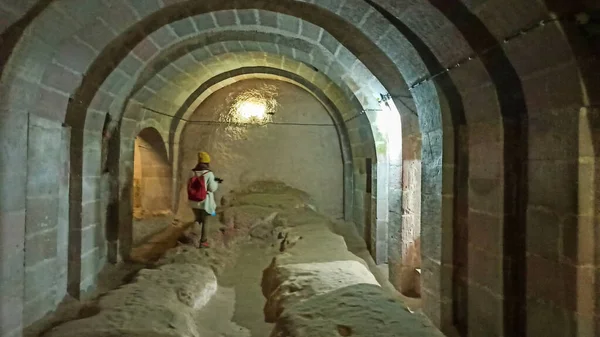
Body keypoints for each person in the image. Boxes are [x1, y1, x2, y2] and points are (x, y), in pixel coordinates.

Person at [188, 151, 220, 248]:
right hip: (205, 203)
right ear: (207, 163)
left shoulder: (192, 172)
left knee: (198, 219)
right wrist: (216, 182)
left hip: (193, 202)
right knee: (206, 221)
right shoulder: (208, 174)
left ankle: (192, 237)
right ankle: (203, 242)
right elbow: (212, 188)